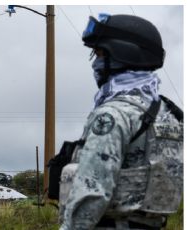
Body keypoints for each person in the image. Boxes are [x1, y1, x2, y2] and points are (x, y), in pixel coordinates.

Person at [58, 14, 183, 230]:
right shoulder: (169, 114)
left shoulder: (113, 115)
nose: (96, 63)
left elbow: (92, 191)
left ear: (121, 53)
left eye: (99, 54)